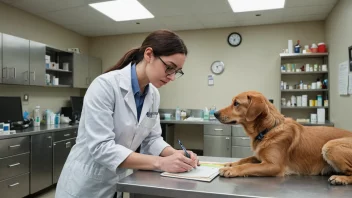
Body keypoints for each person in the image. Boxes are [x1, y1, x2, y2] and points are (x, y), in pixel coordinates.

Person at [55, 29, 199, 198]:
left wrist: (174, 154)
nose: (172, 77)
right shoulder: (105, 85)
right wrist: (161, 162)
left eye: (177, 71)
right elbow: (102, 148)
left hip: (119, 180)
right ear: (149, 54)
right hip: (86, 184)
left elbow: (152, 139)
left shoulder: (153, 94)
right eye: (169, 67)